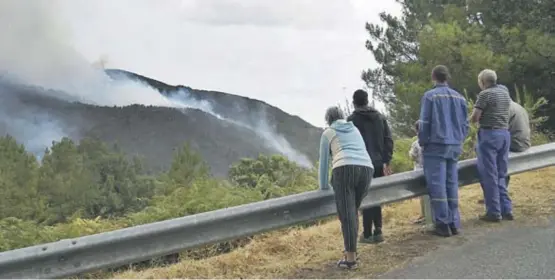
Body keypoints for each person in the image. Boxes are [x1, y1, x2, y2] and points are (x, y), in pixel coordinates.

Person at [318, 106, 374, 270]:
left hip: (344, 169)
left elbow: (324, 164)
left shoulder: (328, 133)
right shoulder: (354, 129)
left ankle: (350, 259)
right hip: (366, 169)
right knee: (353, 212)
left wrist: (323, 186)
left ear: (328, 120)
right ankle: (352, 252)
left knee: (347, 215)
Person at [419, 65, 469, 237]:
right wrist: (459, 139)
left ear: (433, 77)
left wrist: (422, 141)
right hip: (454, 145)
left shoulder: (430, 97)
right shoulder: (460, 98)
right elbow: (465, 124)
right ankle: (455, 222)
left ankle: (442, 223)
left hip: (436, 145)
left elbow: (425, 123)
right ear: (447, 77)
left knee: (437, 185)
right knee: (451, 183)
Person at [347, 89, 393, 244]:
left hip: (361, 163)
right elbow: (388, 140)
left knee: (364, 197)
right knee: (377, 196)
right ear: (367, 101)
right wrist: (387, 160)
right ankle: (378, 230)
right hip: (378, 162)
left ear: (354, 102)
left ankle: (367, 233)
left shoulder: (352, 120)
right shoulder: (380, 117)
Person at [470, 69, 512, 222]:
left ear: (482, 82)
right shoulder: (504, 93)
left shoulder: (484, 94)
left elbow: (475, 117)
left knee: (489, 175)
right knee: (501, 172)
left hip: (489, 135)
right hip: (504, 134)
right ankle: (506, 208)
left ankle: (494, 212)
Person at [476, 96, 531, 207]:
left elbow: (499, 130)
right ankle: (496, 194)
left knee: (487, 155)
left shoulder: (506, 108)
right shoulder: (518, 106)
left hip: (515, 144)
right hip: (524, 142)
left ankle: (492, 195)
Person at [409, 120, 432, 224]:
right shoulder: (431, 140)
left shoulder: (416, 143)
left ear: (416, 131)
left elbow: (412, 156)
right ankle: (431, 214)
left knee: (423, 196)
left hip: (419, 171)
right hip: (431, 169)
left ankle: (424, 215)